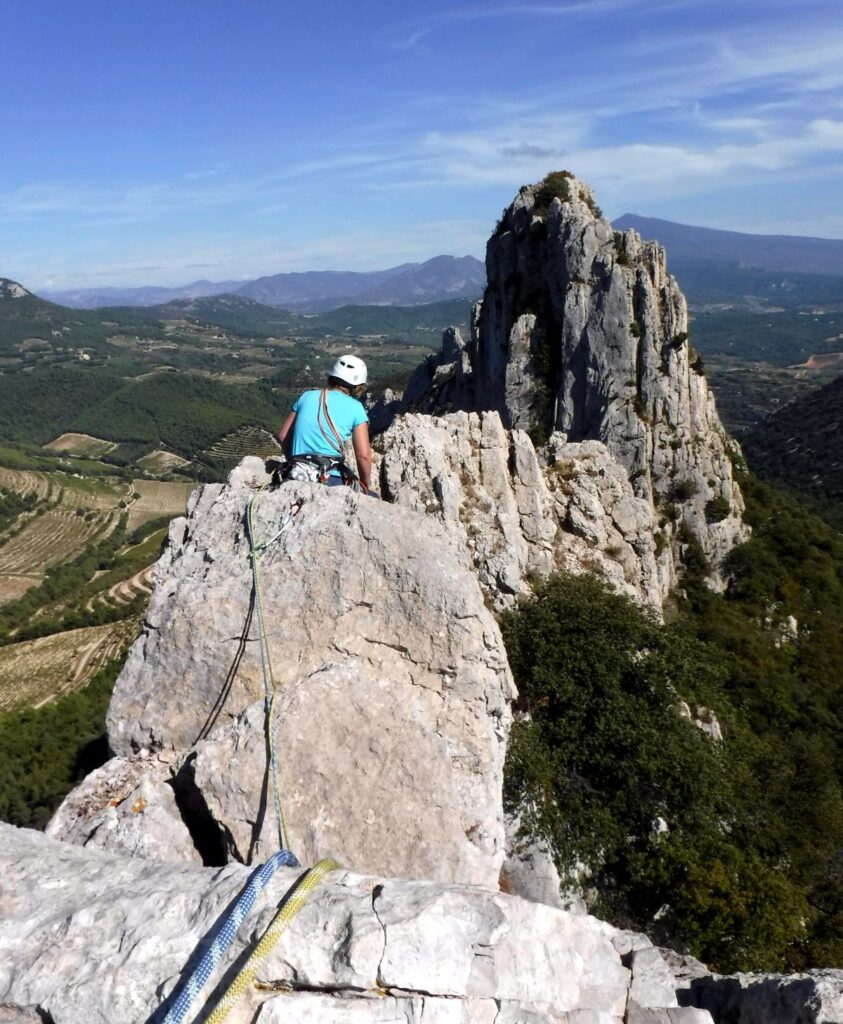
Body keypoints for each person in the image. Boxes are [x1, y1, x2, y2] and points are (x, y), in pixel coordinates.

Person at [277, 355, 373, 493]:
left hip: (297, 472)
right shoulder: (356, 408)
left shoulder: (306, 396)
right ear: (358, 387)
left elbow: (283, 436)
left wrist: (293, 462)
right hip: (329, 477)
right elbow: (363, 456)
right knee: (374, 498)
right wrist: (365, 484)